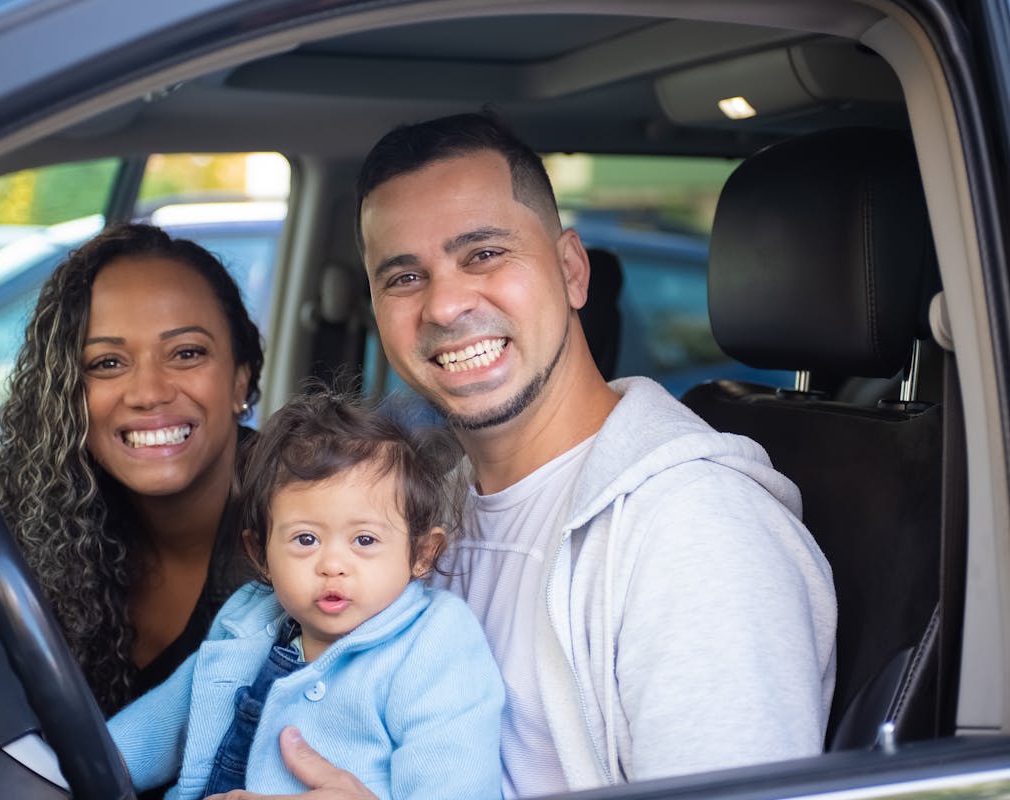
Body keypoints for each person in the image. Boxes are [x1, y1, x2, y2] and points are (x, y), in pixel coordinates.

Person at [234, 112, 837, 800]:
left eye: (484, 254)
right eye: (404, 277)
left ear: (572, 270)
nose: (446, 304)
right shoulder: (426, 511)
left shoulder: (694, 531)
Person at [106, 388, 504, 800]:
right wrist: (84, 762)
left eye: (364, 540)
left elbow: (457, 782)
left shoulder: (436, 643)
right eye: (306, 538)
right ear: (260, 555)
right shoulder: (247, 619)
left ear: (421, 554)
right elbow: (167, 719)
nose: (332, 564)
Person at [0, 222, 264, 718]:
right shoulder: (47, 520)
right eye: (108, 363)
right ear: (68, 395)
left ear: (240, 379)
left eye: (186, 353)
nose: (148, 392)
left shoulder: (318, 529)